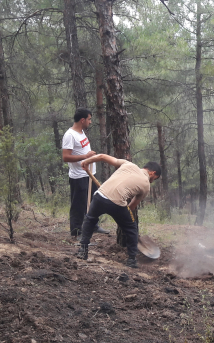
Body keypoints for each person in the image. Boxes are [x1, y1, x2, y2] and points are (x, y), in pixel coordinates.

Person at [76, 154, 161, 268]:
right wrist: (123, 218)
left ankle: (83, 250)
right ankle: (131, 260)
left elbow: (101, 156)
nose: (152, 181)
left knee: (90, 219)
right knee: (131, 228)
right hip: (117, 203)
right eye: (154, 179)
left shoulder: (128, 164)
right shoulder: (146, 185)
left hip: (99, 196)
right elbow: (131, 206)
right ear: (153, 173)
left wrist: (87, 161)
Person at [62, 108, 108, 237]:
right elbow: (66, 157)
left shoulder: (81, 132)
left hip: (89, 174)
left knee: (93, 202)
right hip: (79, 176)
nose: (90, 122)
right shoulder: (70, 135)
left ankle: (93, 226)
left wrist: (89, 156)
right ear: (82, 120)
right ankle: (76, 232)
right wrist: (86, 156)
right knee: (78, 206)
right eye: (89, 119)